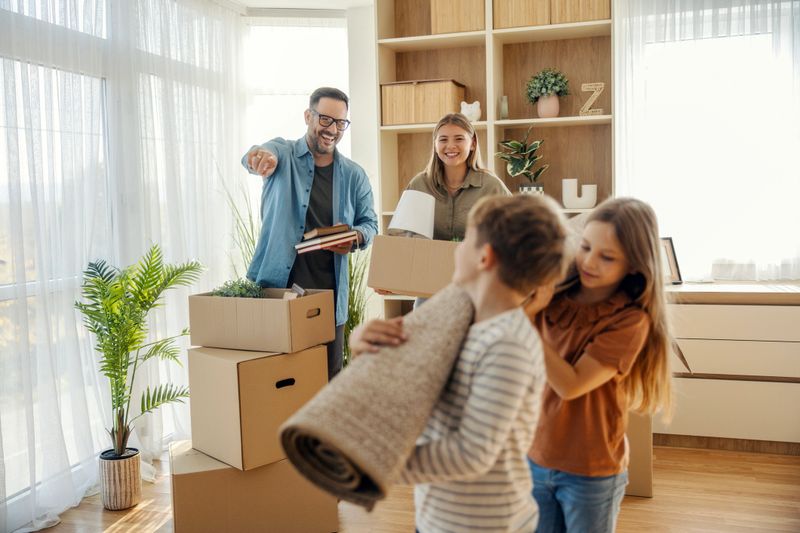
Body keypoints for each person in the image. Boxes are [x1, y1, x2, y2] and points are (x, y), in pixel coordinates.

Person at [352, 194, 569, 533]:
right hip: (437, 517)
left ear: (484, 257)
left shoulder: (507, 344)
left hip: (485, 526)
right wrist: (362, 343)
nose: (455, 249)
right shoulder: (461, 320)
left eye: (464, 240)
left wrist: (379, 462)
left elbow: (471, 453)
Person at [525, 197, 673, 533]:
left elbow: (570, 384)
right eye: (586, 247)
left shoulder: (630, 320)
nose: (590, 262)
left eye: (607, 257)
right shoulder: (551, 296)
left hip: (590, 472)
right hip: (535, 457)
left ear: (634, 265)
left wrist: (525, 318)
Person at [242, 87, 378, 380]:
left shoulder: (354, 175)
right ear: (308, 116)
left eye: (340, 123)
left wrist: (355, 237)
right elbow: (257, 155)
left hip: (329, 300)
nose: (333, 130)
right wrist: (259, 158)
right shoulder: (283, 154)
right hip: (277, 293)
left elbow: (370, 224)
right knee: (275, 382)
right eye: (325, 119)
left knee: (327, 382)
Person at [379, 113, 510, 306]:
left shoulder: (491, 186)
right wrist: (388, 277)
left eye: (459, 139)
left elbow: (514, 233)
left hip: (477, 290)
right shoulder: (420, 184)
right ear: (435, 144)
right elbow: (400, 236)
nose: (450, 146)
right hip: (429, 291)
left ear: (472, 143)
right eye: (443, 140)